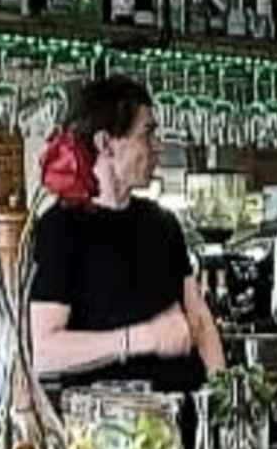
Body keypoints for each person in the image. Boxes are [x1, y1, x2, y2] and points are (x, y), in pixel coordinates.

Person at [27, 75, 220, 395]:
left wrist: (223, 397)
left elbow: (199, 320)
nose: (157, 146)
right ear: (106, 144)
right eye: (147, 134)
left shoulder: (163, 223)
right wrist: (142, 338)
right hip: (110, 430)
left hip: (180, 420)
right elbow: (45, 352)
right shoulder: (60, 227)